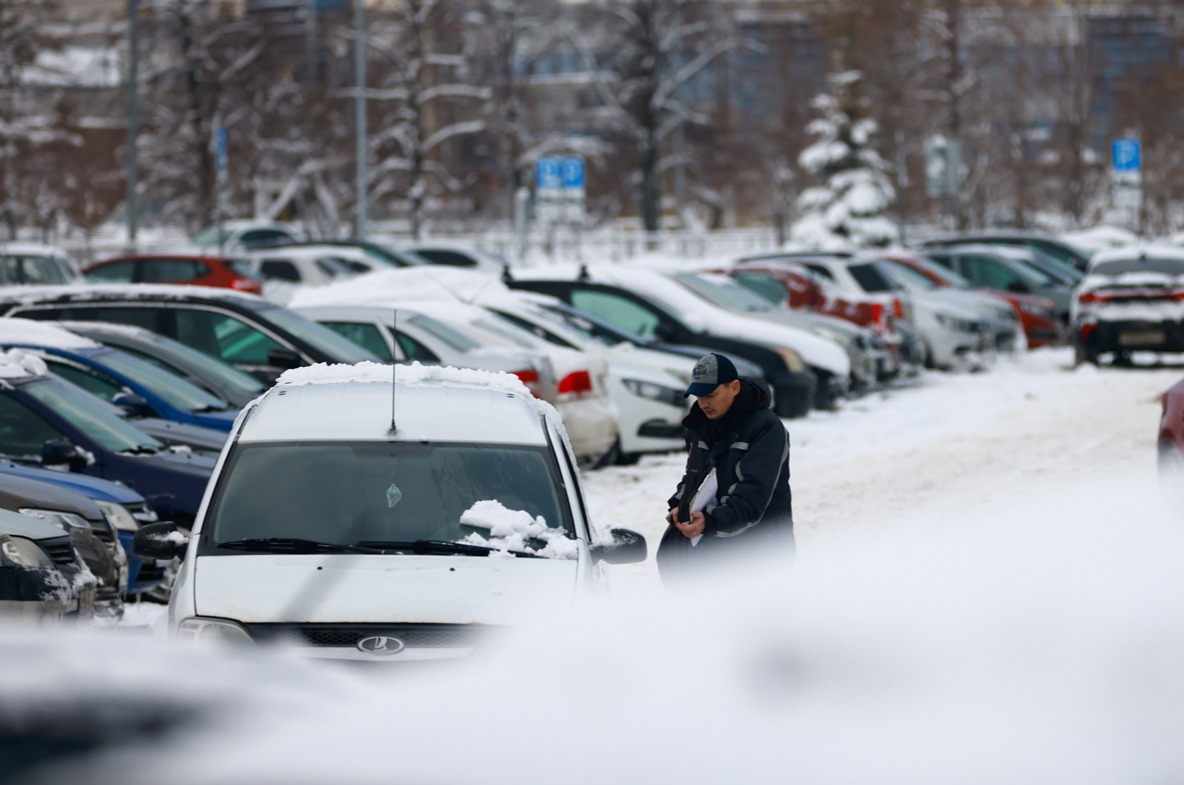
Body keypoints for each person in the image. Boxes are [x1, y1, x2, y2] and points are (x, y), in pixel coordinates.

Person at [657, 352, 794, 580]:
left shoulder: (766, 428)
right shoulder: (700, 425)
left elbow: (752, 497)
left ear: (735, 387)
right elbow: (694, 477)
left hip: (763, 552)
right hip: (713, 550)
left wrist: (709, 522)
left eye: (710, 395)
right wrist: (680, 507)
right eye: (697, 396)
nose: (703, 404)